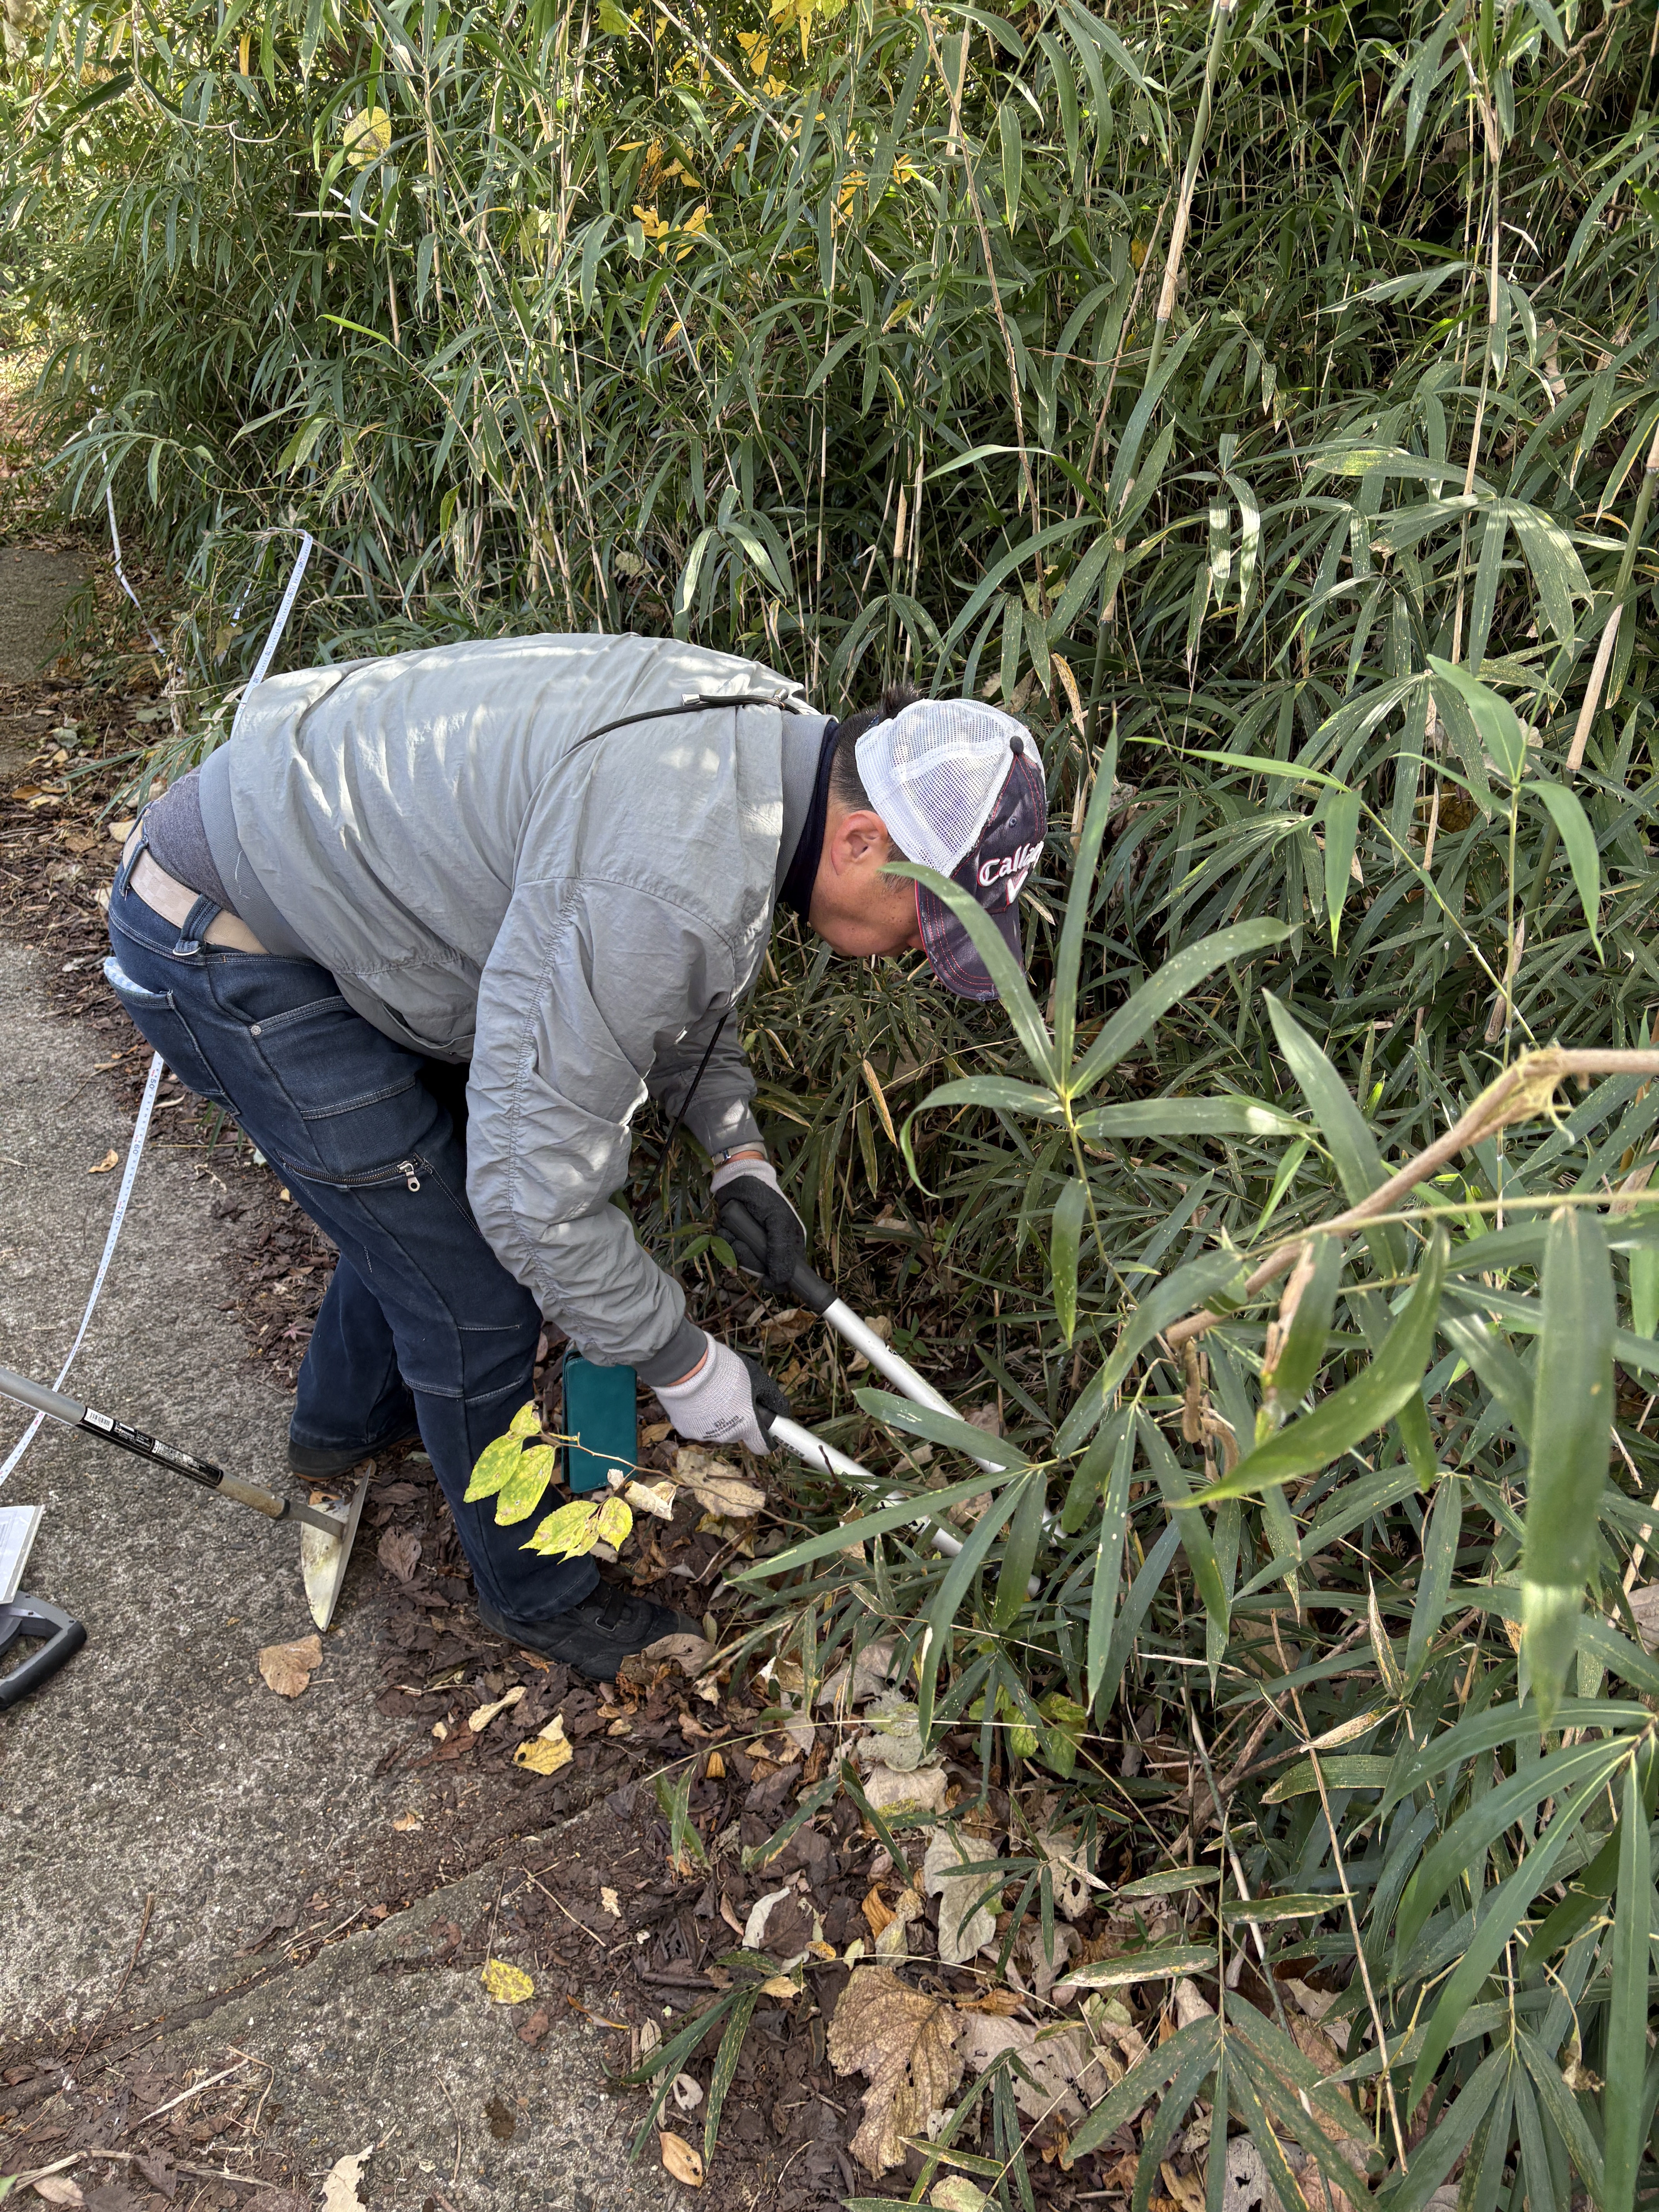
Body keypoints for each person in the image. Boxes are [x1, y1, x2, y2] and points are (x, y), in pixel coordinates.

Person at [104, 634, 1047, 1675]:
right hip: (225, 935)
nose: (926, 949)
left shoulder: (764, 758)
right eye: (933, 916)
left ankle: (343, 1430)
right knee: (471, 1291)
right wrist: (683, 1363)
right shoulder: (672, 859)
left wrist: (739, 1154)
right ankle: (536, 1596)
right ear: (863, 839)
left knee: (414, 1212)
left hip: (335, 883)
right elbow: (530, 1193)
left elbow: (678, 968)